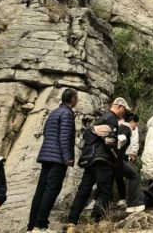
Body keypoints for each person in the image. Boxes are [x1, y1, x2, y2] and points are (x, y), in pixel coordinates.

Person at [66, 98, 129, 230]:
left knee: (84, 190)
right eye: (124, 110)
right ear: (120, 107)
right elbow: (109, 141)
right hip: (102, 160)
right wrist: (115, 158)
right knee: (105, 191)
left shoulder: (101, 118)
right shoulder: (111, 118)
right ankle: (96, 220)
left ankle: (72, 220)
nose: (124, 114)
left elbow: (89, 135)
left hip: (90, 160)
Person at [27, 89, 78, 233]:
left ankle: (32, 226)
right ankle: (41, 225)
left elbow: (46, 133)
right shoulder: (67, 113)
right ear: (73, 99)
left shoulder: (54, 112)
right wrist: (68, 157)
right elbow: (64, 137)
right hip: (58, 159)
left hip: (46, 156)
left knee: (41, 190)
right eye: (76, 98)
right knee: (51, 190)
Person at [115, 112, 145, 214]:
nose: (136, 126)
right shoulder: (127, 128)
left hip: (113, 159)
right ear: (132, 121)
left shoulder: (119, 126)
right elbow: (120, 139)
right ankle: (134, 204)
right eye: (136, 124)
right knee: (134, 176)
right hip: (118, 159)